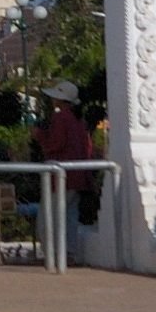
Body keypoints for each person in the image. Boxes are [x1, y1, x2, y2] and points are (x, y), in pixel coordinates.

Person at [33, 81, 98, 254]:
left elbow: (55, 143)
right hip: (78, 176)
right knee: (70, 218)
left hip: (60, 176)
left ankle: (51, 253)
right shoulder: (79, 119)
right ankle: (69, 253)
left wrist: (39, 136)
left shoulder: (61, 117)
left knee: (48, 217)